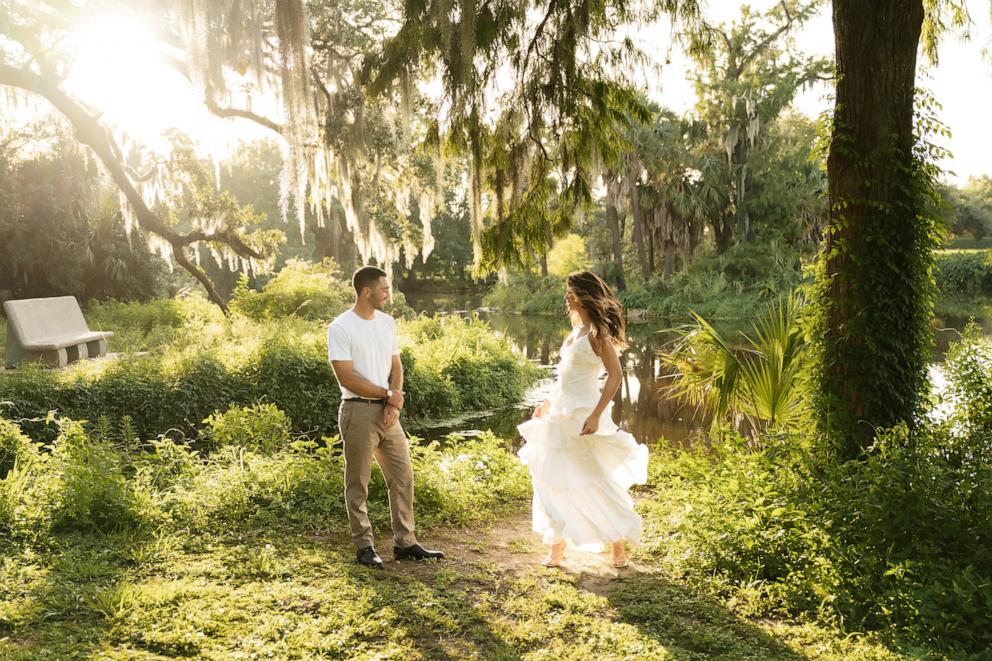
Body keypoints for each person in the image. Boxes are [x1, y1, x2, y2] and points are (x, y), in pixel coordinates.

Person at [517, 270, 648, 568]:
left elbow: (615, 377)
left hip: (583, 415)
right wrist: (547, 402)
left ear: (583, 295)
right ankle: (557, 545)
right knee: (547, 477)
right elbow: (565, 376)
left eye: (570, 292)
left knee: (591, 478)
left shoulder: (597, 335)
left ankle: (617, 546)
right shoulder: (575, 332)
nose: (566, 297)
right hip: (560, 413)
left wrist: (596, 415)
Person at [327, 265, 444, 569]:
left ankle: (405, 543)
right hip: (358, 411)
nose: (388, 295)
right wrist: (386, 394)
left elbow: (396, 364)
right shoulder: (341, 327)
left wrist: (394, 401)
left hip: (387, 412)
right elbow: (346, 377)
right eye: (384, 289)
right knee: (358, 482)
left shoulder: (387, 323)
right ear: (367, 291)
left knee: (402, 475)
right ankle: (364, 546)